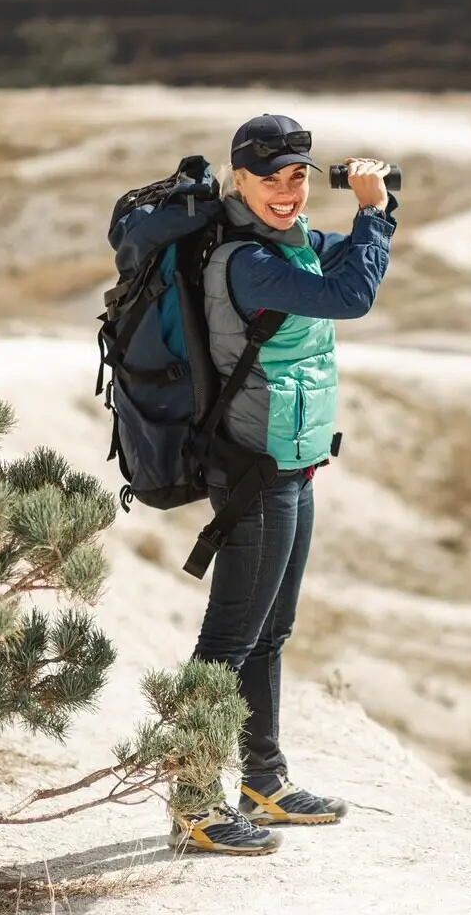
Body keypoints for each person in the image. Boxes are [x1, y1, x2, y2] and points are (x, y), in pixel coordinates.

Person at [168, 113, 397, 856]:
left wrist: (376, 207)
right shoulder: (245, 263)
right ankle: (193, 799)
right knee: (228, 640)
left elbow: (349, 264)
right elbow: (351, 295)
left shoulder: (290, 245)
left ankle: (262, 782)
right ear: (240, 181)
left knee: (270, 634)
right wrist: (372, 211)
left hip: (291, 469)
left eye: (299, 176)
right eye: (271, 179)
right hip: (254, 476)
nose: (287, 191)